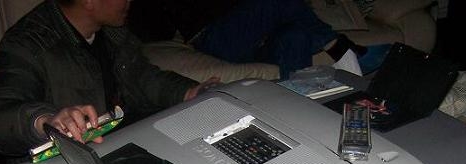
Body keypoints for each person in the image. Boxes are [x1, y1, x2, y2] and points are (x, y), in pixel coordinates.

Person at [0, 0, 218, 158]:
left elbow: (143, 78)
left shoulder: (112, 31)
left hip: (121, 145)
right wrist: (45, 120)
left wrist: (189, 92)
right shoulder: (28, 43)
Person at [129, 0, 391, 80]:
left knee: (296, 35)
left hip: (256, 35)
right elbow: (151, 30)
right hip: (215, 37)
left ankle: (297, 105)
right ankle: (342, 49)